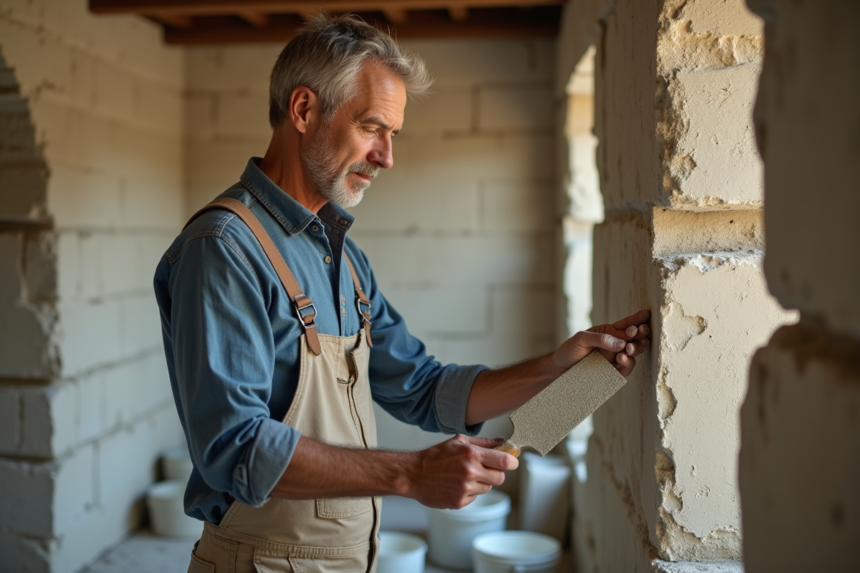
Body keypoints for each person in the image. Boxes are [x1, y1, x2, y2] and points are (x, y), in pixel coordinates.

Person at [153, 14, 650, 573]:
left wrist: (557, 368)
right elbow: (234, 447)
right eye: (372, 128)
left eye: (393, 134)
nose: (387, 156)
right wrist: (411, 474)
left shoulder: (344, 257)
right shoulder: (224, 248)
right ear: (303, 110)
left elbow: (423, 389)